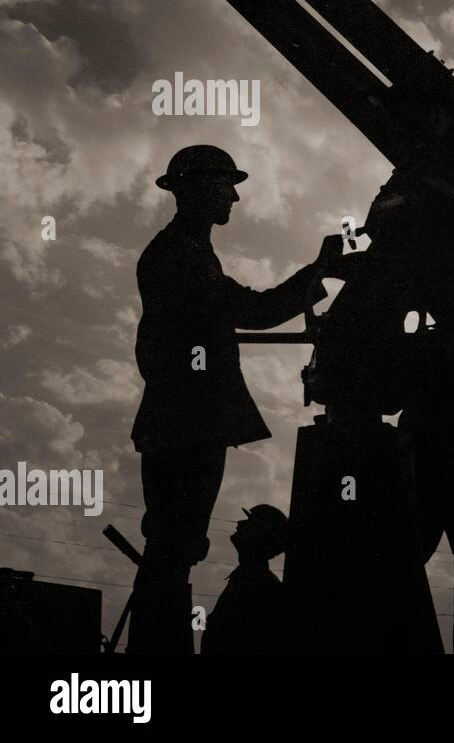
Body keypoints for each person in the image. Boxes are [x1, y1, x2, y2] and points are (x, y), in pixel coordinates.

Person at [128, 145, 341, 654]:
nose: (236, 196)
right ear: (198, 189)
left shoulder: (187, 253)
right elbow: (255, 309)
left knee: (174, 545)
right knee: (174, 547)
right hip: (189, 422)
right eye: (227, 185)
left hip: (181, 420)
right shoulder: (180, 256)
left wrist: (316, 273)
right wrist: (319, 272)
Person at [201, 505, 290, 654]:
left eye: (249, 522)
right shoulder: (244, 579)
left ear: (261, 535)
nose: (240, 523)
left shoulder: (264, 589)